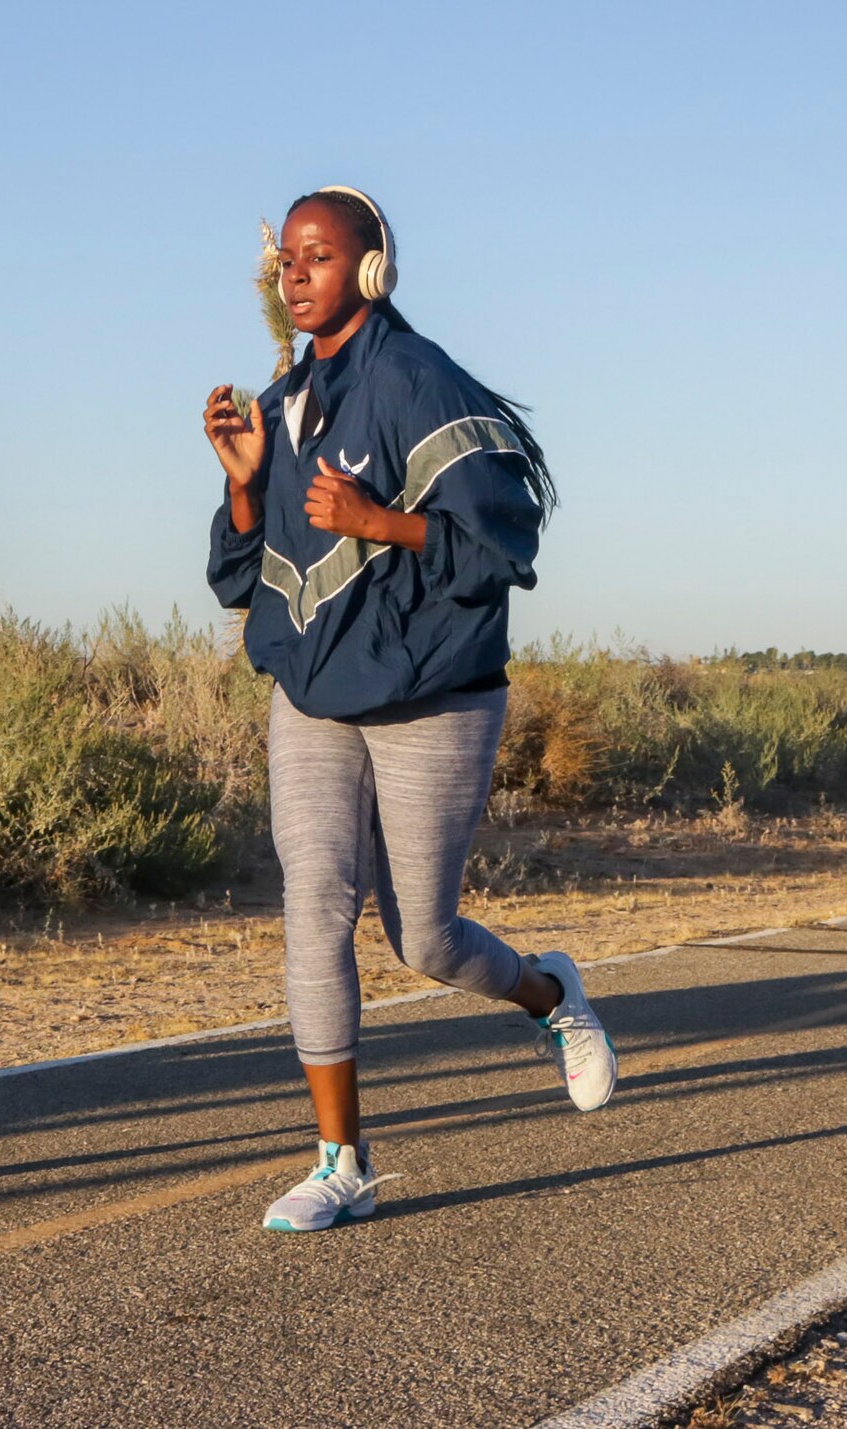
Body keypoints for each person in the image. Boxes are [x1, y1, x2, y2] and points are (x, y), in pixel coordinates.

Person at [202, 187, 617, 1233]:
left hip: (431, 688)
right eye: (285, 259)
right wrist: (246, 487)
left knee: (422, 939)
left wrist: (379, 520)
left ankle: (549, 995)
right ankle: (339, 1161)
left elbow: (502, 548)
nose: (297, 274)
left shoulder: (422, 381)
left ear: (371, 270)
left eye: (320, 256)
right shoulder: (282, 400)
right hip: (314, 690)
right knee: (313, 906)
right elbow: (239, 575)